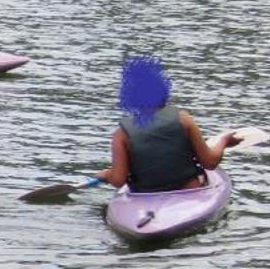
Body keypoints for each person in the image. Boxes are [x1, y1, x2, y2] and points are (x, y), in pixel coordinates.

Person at [96, 54, 239, 192]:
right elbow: (210, 162)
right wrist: (223, 142)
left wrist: (106, 174)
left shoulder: (121, 134)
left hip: (146, 198)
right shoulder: (183, 119)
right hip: (189, 191)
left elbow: (118, 180)